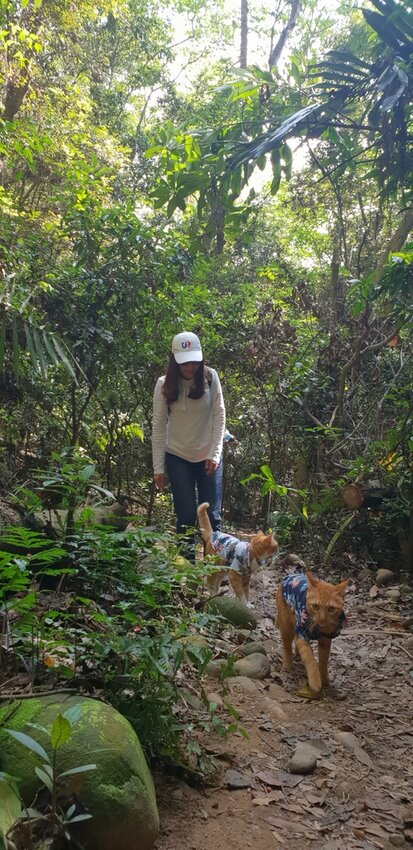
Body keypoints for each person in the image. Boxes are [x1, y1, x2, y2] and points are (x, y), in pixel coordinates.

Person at [152, 331, 226, 561]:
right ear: (175, 360)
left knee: (212, 518)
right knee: (185, 517)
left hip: (208, 456)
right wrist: (158, 468)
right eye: (185, 362)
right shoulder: (163, 385)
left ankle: (213, 569)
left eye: (194, 361)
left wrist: (215, 453)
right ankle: (187, 571)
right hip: (178, 456)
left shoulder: (210, 378)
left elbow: (220, 415)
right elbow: (158, 426)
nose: (191, 367)